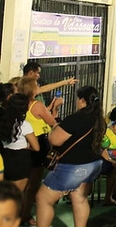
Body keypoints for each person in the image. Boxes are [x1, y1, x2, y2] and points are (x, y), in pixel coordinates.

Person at [36, 86, 107, 227]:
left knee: (43, 198)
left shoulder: (76, 118)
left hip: (72, 167)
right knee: (79, 198)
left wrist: (54, 129)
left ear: (82, 100)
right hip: (93, 164)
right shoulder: (100, 120)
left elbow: (55, 140)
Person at [17, 77, 61, 226]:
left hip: (25, 143)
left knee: (24, 183)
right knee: (32, 184)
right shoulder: (37, 105)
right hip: (39, 143)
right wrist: (55, 107)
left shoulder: (20, 104)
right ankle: (26, 214)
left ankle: (20, 212)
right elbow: (52, 121)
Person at [0, 93, 39, 195]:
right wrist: (28, 147)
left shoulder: (3, 123)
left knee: (5, 195)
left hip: (6, 158)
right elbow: (36, 148)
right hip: (21, 161)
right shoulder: (24, 125)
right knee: (16, 197)